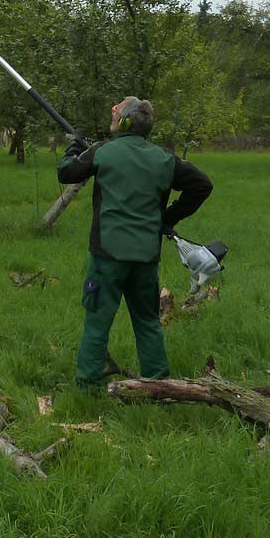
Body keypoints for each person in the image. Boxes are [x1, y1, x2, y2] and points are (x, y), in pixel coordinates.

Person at [57, 96, 213, 388]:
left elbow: (66, 172)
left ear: (124, 121)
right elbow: (202, 186)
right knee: (148, 323)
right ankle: (160, 387)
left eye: (117, 110)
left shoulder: (103, 152)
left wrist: (76, 148)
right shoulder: (165, 158)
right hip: (145, 258)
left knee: (97, 323)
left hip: (106, 257)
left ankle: (86, 387)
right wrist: (168, 218)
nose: (113, 112)